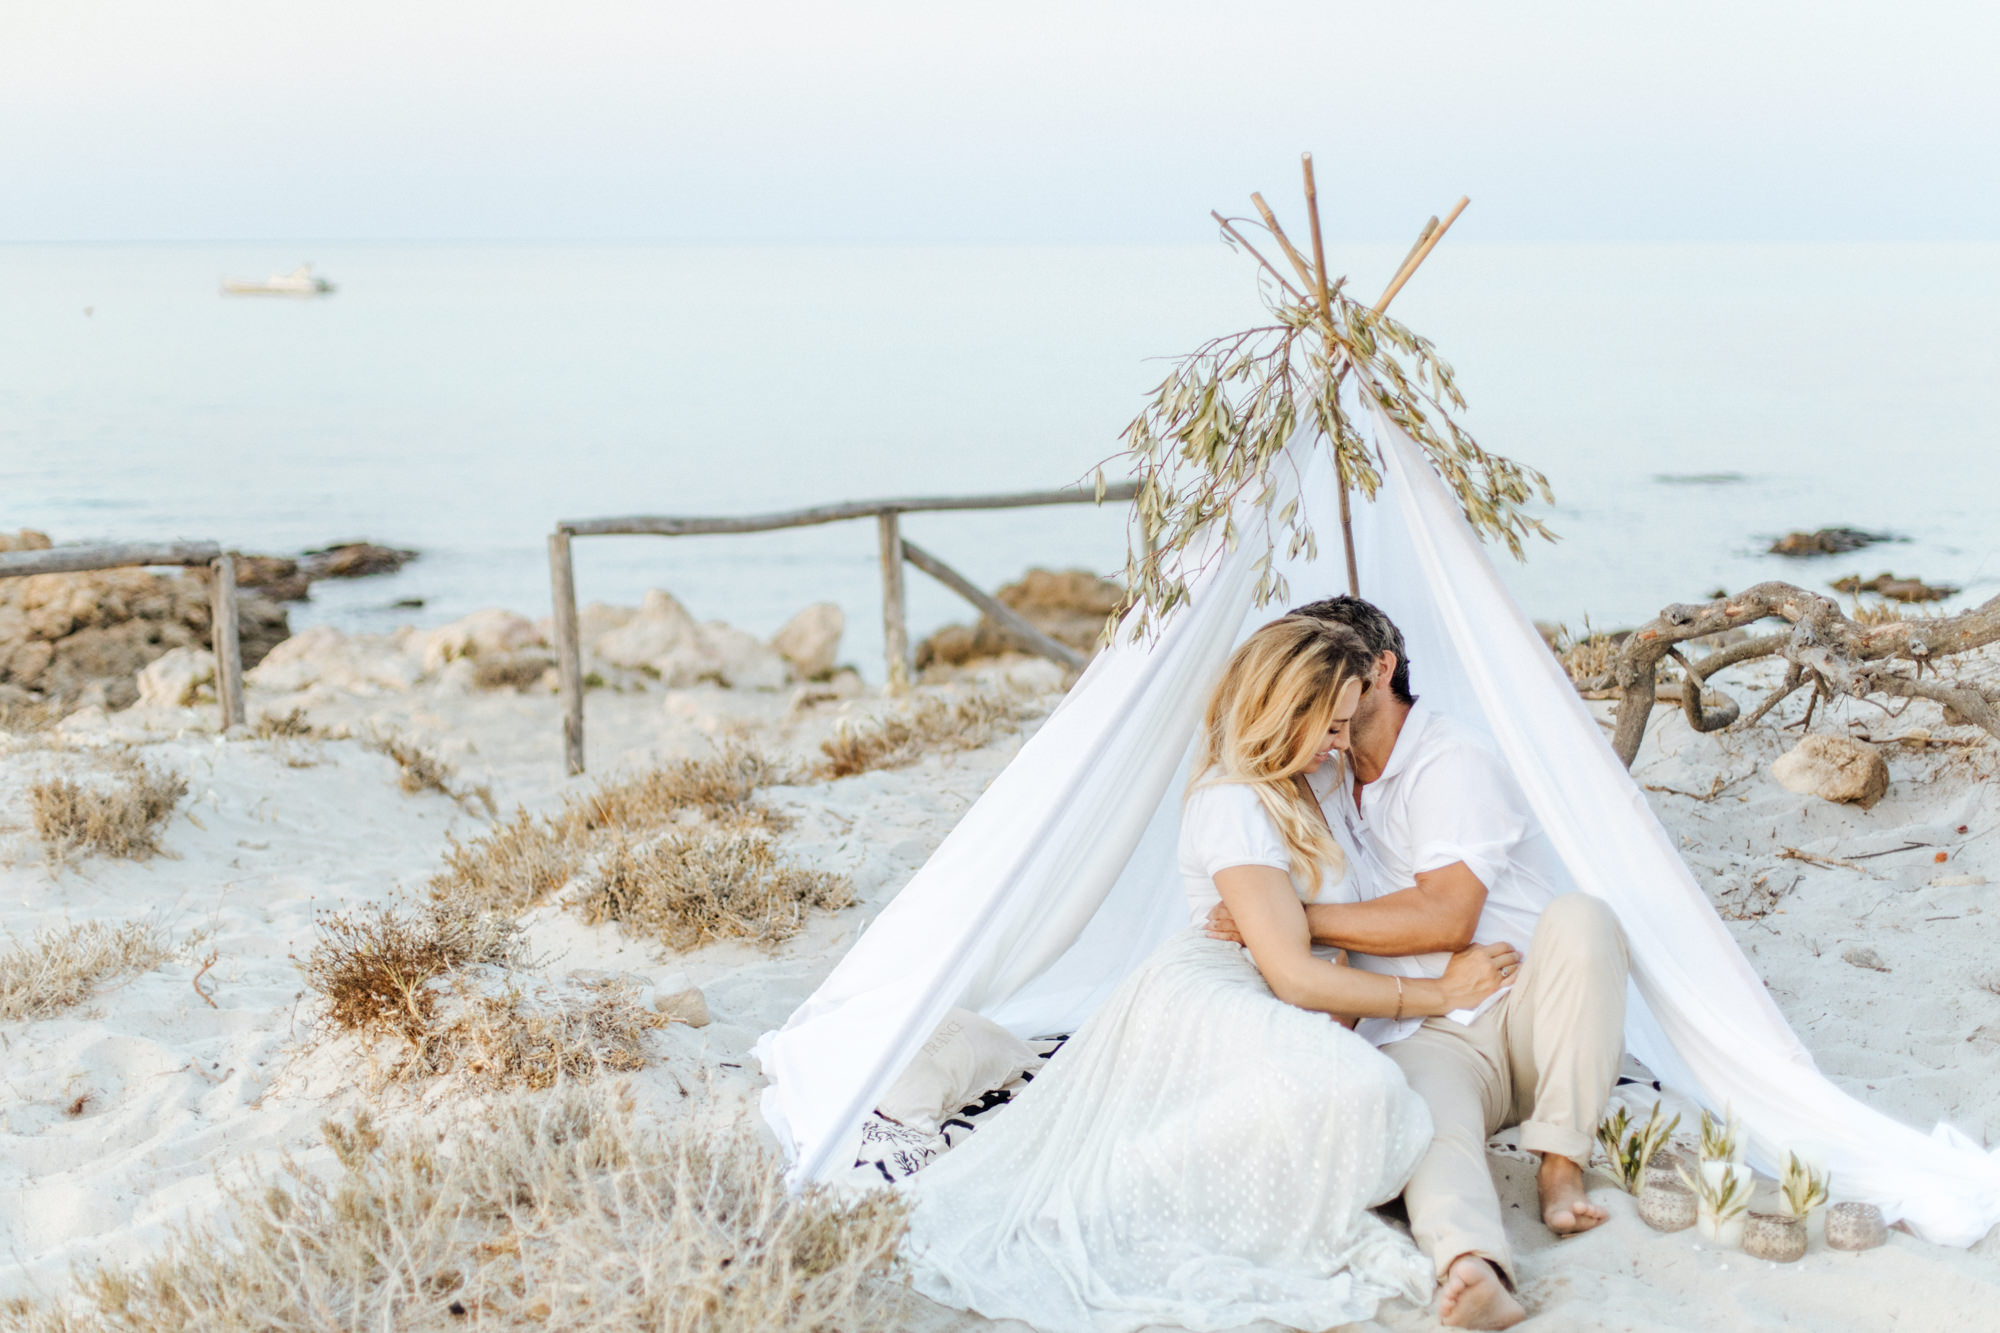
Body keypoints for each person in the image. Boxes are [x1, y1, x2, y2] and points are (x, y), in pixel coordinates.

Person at [901, 616, 1519, 1333]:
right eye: (1333, 727)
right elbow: (1292, 972)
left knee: (1364, 1100)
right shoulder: (1233, 800)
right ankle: (1093, 1203)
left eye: (1348, 726)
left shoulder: (1307, 782)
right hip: (1216, 992)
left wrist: (1312, 935)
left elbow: (1326, 936)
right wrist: (1437, 992)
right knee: (1371, 1092)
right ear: (1290, 712)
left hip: (1274, 997)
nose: (1344, 745)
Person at [1207, 595, 1632, 1331]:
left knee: (1585, 917)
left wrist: (1281, 919)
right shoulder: (1326, 774)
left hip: (1531, 1003)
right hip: (1432, 1025)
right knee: (1430, 1126)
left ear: (1380, 670)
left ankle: (1560, 1162)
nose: (1324, 701)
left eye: (1337, 679)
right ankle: (1473, 1264)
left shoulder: (1450, 758)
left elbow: (1448, 914)